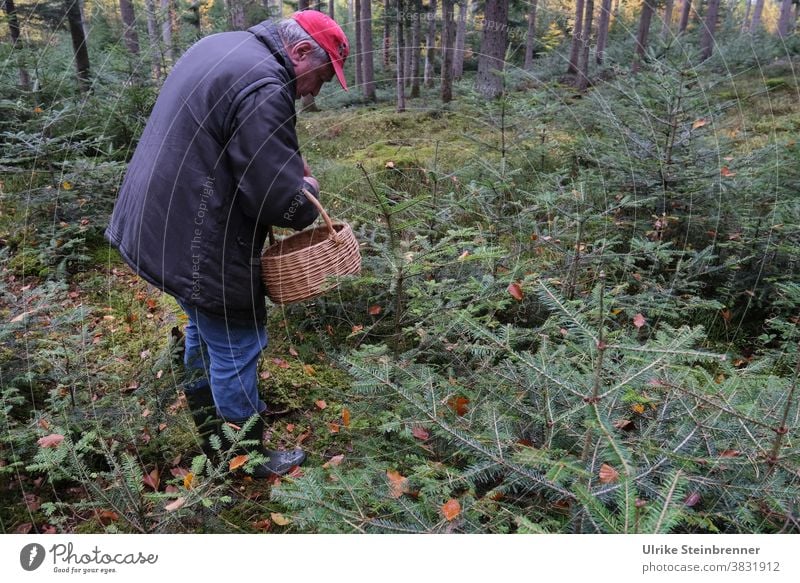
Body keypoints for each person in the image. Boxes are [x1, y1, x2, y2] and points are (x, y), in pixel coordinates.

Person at [104, 10, 349, 477]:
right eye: (318, 79)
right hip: (200, 240)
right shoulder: (264, 84)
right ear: (299, 52)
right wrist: (305, 196)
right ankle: (245, 458)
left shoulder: (222, 46)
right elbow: (275, 196)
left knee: (204, 327)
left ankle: (214, 442)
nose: (314, 92)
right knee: (239, 339)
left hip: (158, 223)